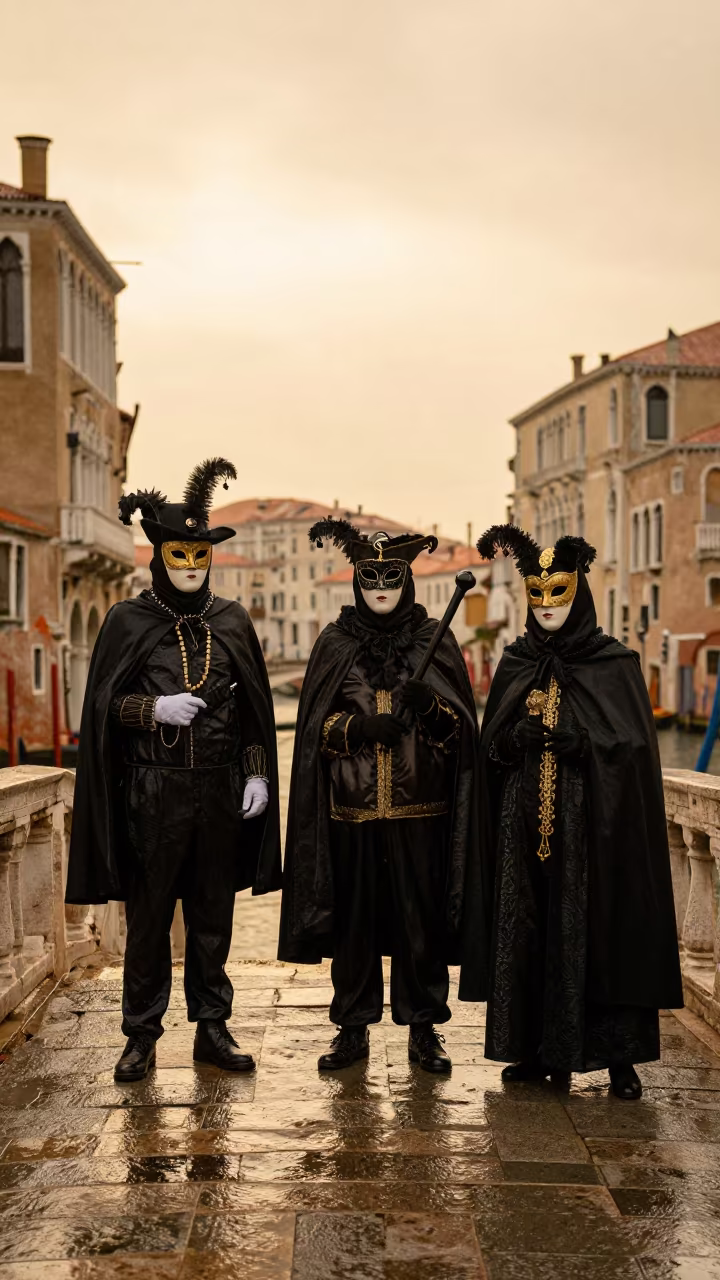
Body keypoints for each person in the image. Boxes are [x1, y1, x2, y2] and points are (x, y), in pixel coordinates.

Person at [65, 459, 281, 1082]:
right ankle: (141, 1035)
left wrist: (259, 774)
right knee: (151, 918)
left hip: (218, 788)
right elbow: (103, 707)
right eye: (179, 555)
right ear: (159, 556)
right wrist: (152, 708)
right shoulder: (127, 621)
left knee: (214, 915)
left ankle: (212, 1028)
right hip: (151, 792)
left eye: (199, 555)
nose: (190, 565)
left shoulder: (234, 620)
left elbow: (253, 715)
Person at [459, 525, 683, 1099]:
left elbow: (635, 750)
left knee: (603, 930)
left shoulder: (614, 664)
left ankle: (619, 1059)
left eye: (557, 591)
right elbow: (491, 750)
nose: (547, 604)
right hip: (523, 829)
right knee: (530, 933)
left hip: (597, 834)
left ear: (578, 590)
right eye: (537, 593)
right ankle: (536, 1052)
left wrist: (589, 744)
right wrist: (515, 740)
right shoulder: (515, 661)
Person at [279, 518, 481, 1073]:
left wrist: (432, 706)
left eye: (391, 576)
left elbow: (461, 736)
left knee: (421, 922)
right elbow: (314, 733)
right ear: (357, 582)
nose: (381, 586)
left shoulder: (433, 641)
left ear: (408, 580)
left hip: (423, 810)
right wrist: (359, 730)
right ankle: (352, 1028)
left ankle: (424, 1030)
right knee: (356, 925)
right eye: (370, 578)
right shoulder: (334, 644)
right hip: (353, 810)